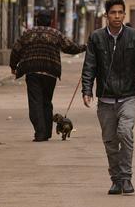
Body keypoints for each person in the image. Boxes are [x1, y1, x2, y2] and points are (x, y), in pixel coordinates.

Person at [81, 0, 135, 196]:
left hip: (128, 97)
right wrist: (87, 90)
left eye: (120, 12)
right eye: (113, 12)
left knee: (125, 133)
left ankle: (127, 178)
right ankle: (116, 180)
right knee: (110, 141)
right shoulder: (96, 38)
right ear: (106, 15)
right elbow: (89, 67)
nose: (117, 16)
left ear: (124, 14)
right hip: (105, 100)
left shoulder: (133, 36)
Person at [10, 10, 86, 142]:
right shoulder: (55, 34)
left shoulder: (28, 34)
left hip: (32, 71)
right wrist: (86, 47)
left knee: (35, 103)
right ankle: (47, 133)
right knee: (46, 102)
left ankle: (40, 133)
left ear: (37, 20)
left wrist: (13, 66)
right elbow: (70, 48)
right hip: (50, 72)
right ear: (51, 21)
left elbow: (16, 49)